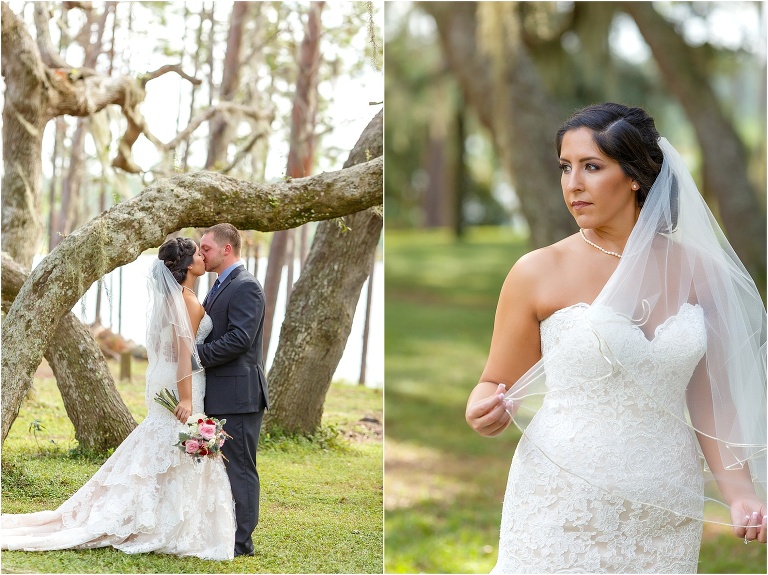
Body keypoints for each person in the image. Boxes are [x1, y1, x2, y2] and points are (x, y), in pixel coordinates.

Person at [465, 103, 767, 573]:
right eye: (565, 167)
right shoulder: (537, 272)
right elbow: (495, 381)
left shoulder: (699, 272)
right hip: (560, 499)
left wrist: (740, 492)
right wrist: (484, 408)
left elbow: (711, 400)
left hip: (664, 504)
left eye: (591, 166)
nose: (572, 183)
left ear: (633, 177)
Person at [1, 237, 236, 560]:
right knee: (178, 441)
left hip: (164, 378)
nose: (202, 257)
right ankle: (166, 521)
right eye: (197, 253)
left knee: (163, 440)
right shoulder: (188, 301)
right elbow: (185, 353)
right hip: (183, 381)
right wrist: (185, 399)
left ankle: (151, 510)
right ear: (186, 266)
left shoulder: (174, 298)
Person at [197, 223, 267, 558]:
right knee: (222, 467)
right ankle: (225, 533)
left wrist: (196, 357)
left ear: (227, 249)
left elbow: (240, 339)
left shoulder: (246, 286)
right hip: (220, 393)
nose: (201, 254)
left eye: (206, 248)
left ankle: (241, 543)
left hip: (240, 397)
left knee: (240, 467)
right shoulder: (219, 285)